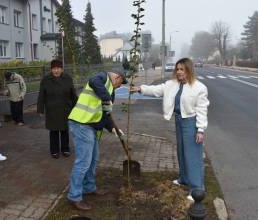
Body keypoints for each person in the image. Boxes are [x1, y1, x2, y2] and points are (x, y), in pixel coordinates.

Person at [130, 58, 209, 201]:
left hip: (192, 122)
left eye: (181, 69)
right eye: (177, 69)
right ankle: (184, 179)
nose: (178, 72)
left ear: (188, 70)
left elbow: (202, 110)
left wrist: (200, 130)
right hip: (179, 120)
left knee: (193, 157)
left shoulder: (199, 88)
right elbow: (157, 90)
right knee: (181, 153)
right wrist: (141, 89)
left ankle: (196, 189)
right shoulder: (171, 84)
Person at [67, 67, 127, 210]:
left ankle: (88, 187)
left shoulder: (110, 92)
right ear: (117, 78)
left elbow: (105, 116)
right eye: (120, 84)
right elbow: (93, 80)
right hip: (82, 124)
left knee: (93, 160)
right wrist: (106, 98)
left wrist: (113, 129)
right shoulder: (102, 77)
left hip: (91, 127)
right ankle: (74, 196)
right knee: (83, 162)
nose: (118, 87)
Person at [37, 59, 78, 158]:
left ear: (61, 69)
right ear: (51, 69)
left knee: (64, 130)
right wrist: (40, 109)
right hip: (52, 110)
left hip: (66, 110)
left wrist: (76, 108)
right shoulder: (46, 80)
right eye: (54, 68)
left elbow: (73, 95)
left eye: (58, 68)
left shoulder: (67, 78)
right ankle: (54, 150)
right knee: (54, 131)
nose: (56, 71)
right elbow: (41, 96)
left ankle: (65, 149)